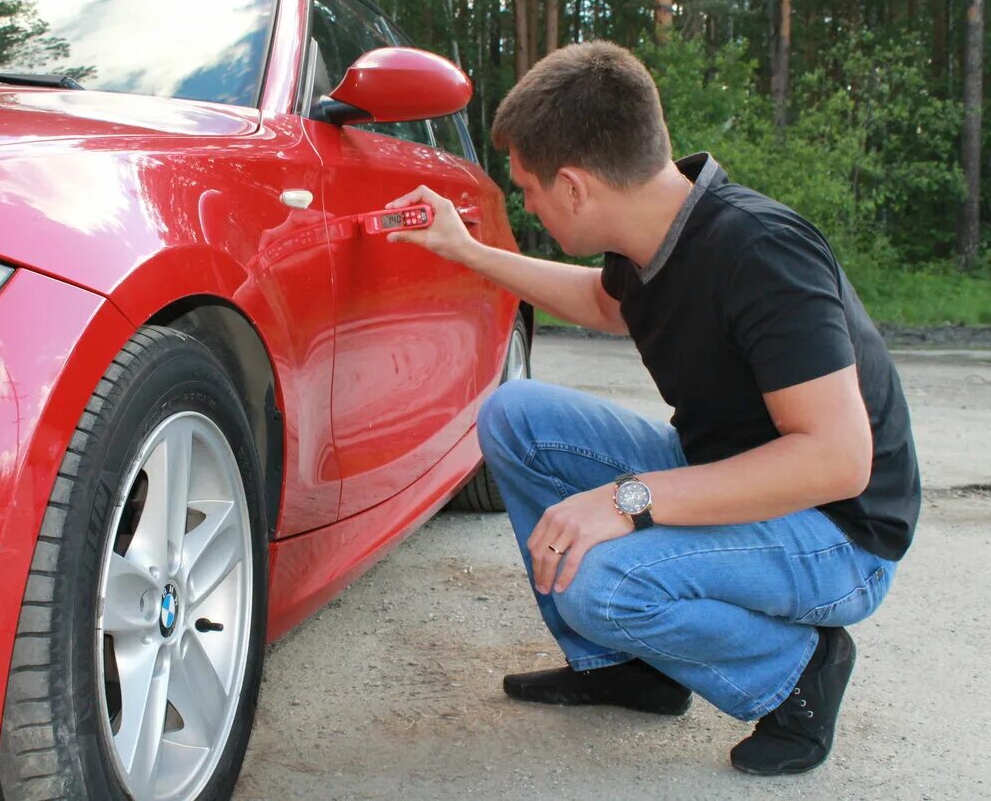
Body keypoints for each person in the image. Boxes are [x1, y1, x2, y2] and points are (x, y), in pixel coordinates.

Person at [384, 41, 920, 776]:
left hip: (838, 532)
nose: (527, 204)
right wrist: (463, 248)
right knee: (517, 415)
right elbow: (604, 305)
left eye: (529, 189)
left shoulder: (762, 253)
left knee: (603, 581)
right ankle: (629, 667)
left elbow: (837, 458)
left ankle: (796, 669)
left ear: (574, 186)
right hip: (728, 477)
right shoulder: (652, 238)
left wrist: (629, 499)